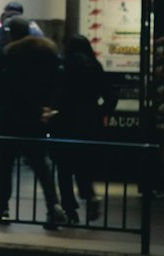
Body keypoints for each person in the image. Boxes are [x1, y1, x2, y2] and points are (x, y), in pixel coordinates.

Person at [0, 16, 66, 228]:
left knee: (5, 166)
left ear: (11, 33)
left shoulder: (10, 55)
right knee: (41, 166)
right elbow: (57, 83)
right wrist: (46, 108)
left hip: (12, 118)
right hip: (36, 120)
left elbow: (8, 88)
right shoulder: (48, 52)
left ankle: (1, 207)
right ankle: (53, 206)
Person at [50, 34, 118, 225]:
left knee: (64, 169)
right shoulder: (95, 67)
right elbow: (111, 96)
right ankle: (89, 195)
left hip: (65, 122)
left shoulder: (64, 67)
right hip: (89, 124)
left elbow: (58, 95)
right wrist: (99, 112)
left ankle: (70, 210)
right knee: (83, 165)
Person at [0, 1, 43, 95]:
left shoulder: (5, 27)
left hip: (10, 79)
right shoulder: (34, 27)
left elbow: (0, 55)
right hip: (34, 79)